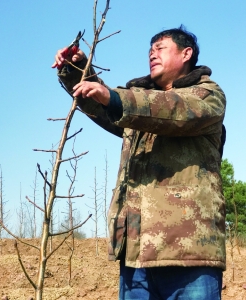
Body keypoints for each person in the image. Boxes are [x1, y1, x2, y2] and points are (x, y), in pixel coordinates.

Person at [53, 25, 226, 299]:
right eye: (149, 50)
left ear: (186, 54)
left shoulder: (208, 96)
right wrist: (77, 70)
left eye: (160, 48)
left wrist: (114, 97)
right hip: (136, 255)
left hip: (190, 255)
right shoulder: (136, 107)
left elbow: (171, 109)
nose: (152, 54)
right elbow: (106, 107)